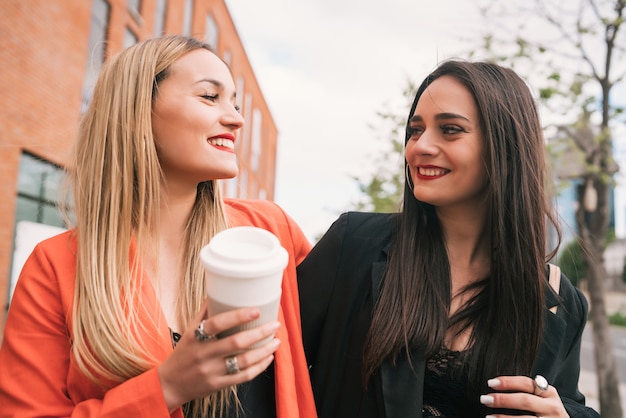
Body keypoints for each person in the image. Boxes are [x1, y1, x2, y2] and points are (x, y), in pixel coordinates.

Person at [0, 35, 316, 418]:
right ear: (138, 111)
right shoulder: (57, 267)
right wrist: (167, 387)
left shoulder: (269, 231)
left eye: (233, 100)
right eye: (209, 96)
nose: (236, 117)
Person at [297, 60, 600, 418]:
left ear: (504, 147)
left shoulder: (561, 301)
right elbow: (266, 371)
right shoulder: (352, 244)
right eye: (415, 130)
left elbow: (569, 404)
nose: (420, 146)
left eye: (450, 130)